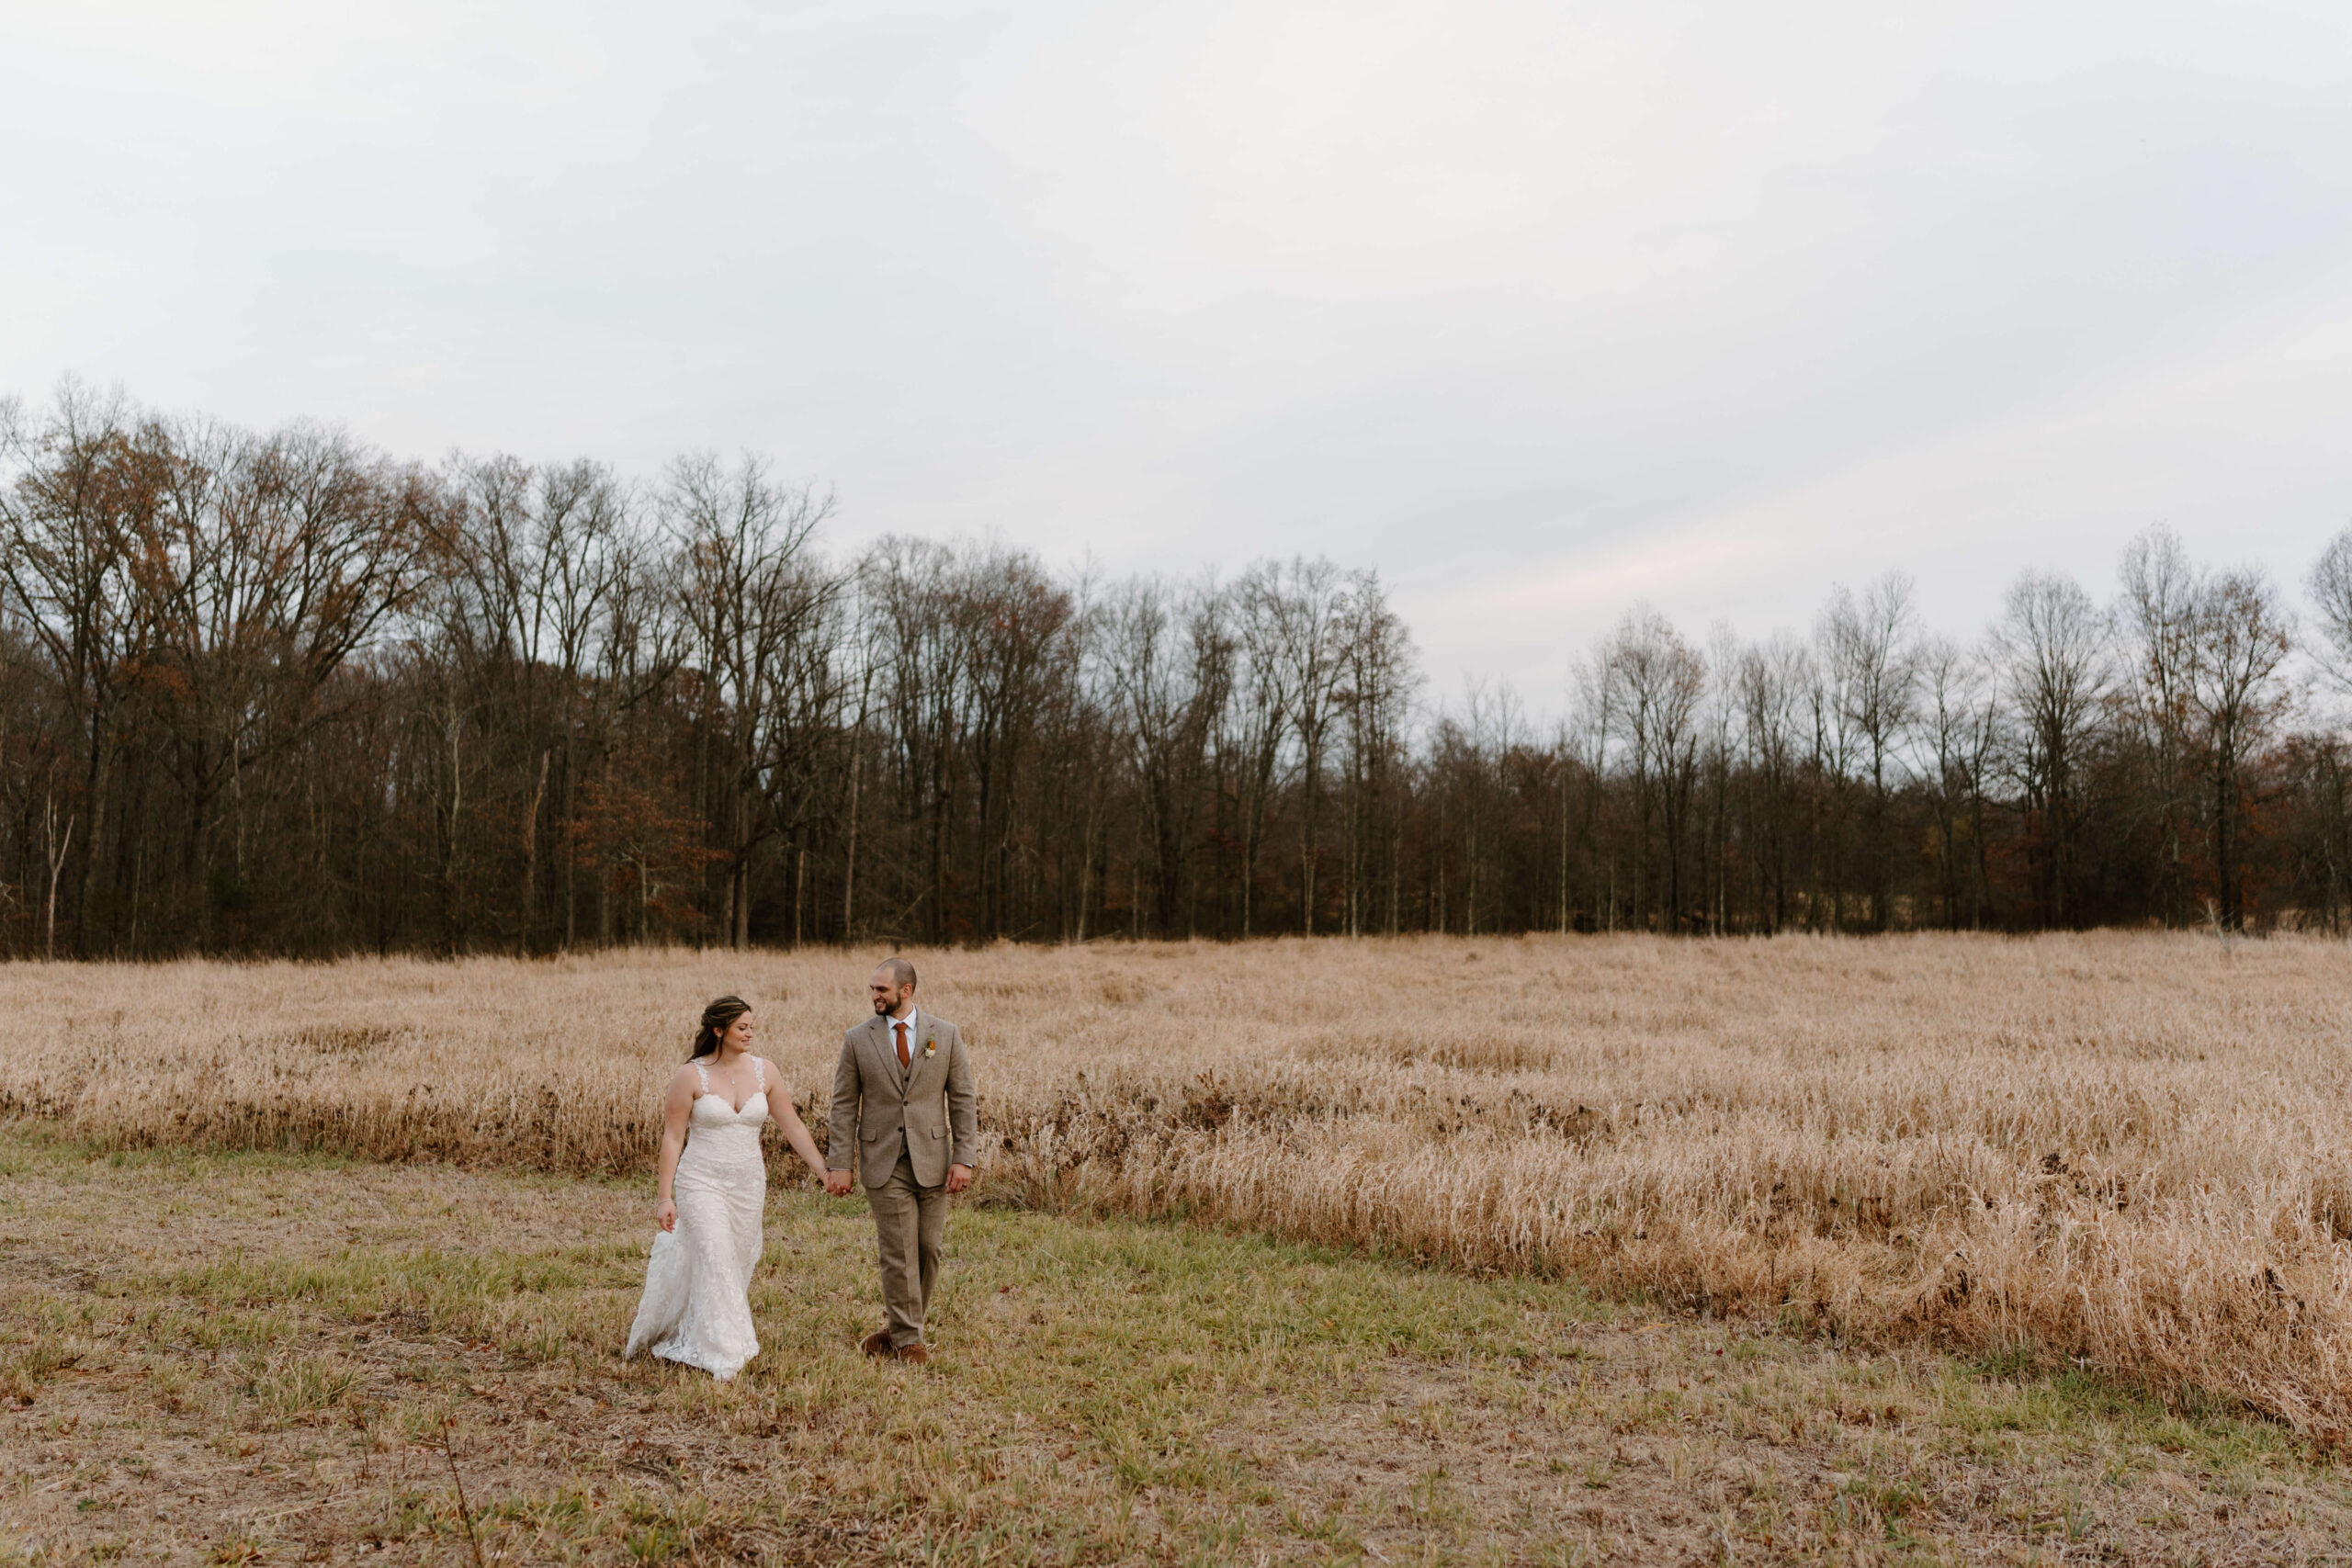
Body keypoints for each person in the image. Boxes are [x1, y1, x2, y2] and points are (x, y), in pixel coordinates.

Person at [623, 994, 826, 1380]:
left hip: (748, 1184)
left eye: (752, 1027)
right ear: (719, 1030)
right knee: (715, 1257)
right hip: (701, 1181)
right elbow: (672, 1138)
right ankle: (728, 1352)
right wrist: (665, 1197)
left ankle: (697, 1326)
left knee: (734, 1261)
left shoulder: (766, 1072)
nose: (750, 1033)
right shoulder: (690, 1075)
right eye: (742, 1027)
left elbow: (793, 1126)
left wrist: (823, 1171)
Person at [823, 957, 978, 1364]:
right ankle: (910, 1341)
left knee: (929, 1249)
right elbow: (843, 1106)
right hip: (882, 1160)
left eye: (882, 990)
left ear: (905, 991)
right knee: (899, 1251)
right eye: (873, 989)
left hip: (933, 1157)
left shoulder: (944, 1035)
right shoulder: (857, 1039)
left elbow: (962, 1099)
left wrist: (965, 1158)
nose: (874, 995)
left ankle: (897, 1329)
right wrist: (839, 1162)